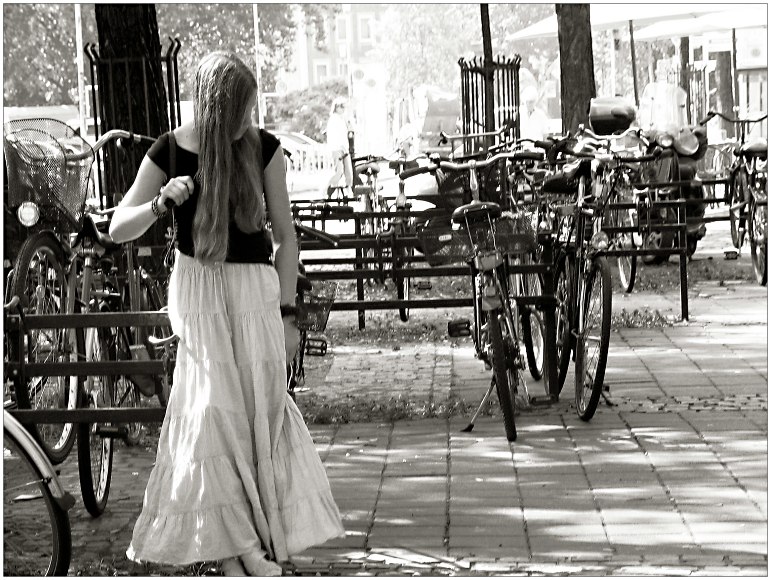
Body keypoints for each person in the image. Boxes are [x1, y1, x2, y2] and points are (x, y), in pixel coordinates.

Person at [109, 52, 344, 576]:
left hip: (254, 292)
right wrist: (159, 205)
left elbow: (285, 239)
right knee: (213, 412)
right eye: (242, 106)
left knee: (257, 416)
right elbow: (116, 228)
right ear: (219, 107)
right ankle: (244, 550)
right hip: (197, 290)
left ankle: (244, 549)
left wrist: (288, 315)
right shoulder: (169, 151)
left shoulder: (263, 149)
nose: (249, 115)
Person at [325, 96, 353, 198]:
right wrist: (341, 147)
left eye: (344, 107)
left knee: (348, 172)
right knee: (339, 172)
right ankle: (327, 189)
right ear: (336, 107)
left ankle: (348, 190)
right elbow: (335, 136)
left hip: (344, 148)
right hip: (337, 148)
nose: (343, 109)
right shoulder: (333, 120)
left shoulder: (342, 119)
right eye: (342, 107)